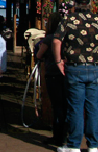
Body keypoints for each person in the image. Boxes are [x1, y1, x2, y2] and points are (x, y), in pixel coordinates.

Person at [53, 0, 98, 152]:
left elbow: (57, 40)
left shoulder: (68, 20)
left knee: (75, 107)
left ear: (74, 3)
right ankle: (93, 146)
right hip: (95, 67)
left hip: (75, 67)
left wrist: (57, 61)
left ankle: (74, 146)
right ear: (90, 3)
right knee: (93, 107)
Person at [36, 12, 66, 146]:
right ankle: (65, 135)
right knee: (66, 105)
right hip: (66, 74)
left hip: (53, 73)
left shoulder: (49, 38)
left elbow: (39, 54)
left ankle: (58, 136)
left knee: (57, 106)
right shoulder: (67, 36)